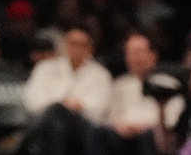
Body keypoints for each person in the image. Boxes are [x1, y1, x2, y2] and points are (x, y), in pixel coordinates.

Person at [21, 27, 110, 155]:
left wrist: (78, 106)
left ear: (90, 49)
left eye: (83, 45)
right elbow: (32, 100)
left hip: (82, 126)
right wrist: (62, 104)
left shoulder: (101, 74)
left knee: (59, 118)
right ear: (65, 45)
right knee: (56, 116)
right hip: (46, 122)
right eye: (73, 44)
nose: (77, 49)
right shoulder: (45, 68)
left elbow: (100, 108)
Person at [90, 32, 182, 155]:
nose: (134, 58)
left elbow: (172, 120)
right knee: (99, 132)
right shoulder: (119, 84)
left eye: (138, 52)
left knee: (149, 136)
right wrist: (119, 126)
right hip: (122, 135)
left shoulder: (168, 84)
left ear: (153, 55)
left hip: (152, 135)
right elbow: (109, 116)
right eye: (130, 53)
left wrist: (143, 127)